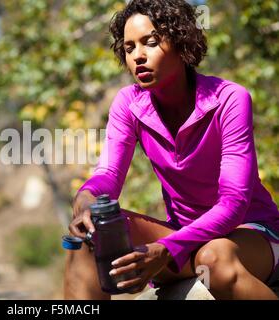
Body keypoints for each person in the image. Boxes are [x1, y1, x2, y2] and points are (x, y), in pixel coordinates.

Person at [65, 0, 279, 300]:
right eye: (128, 48)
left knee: (214, 259)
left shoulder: (229, 99)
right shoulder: (129, 104)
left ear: (181, 43)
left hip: (251, 234)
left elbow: (233, 203)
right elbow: (109, 173)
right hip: (185, 239)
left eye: (150, 43)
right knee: (93, 235)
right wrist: (87, 200)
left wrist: (166, 249)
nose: (138, 55)